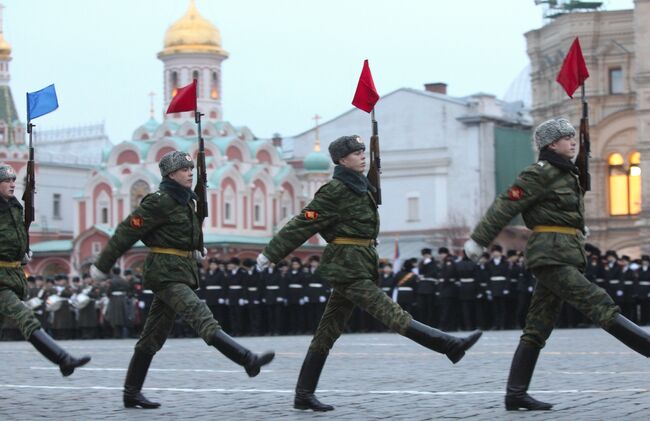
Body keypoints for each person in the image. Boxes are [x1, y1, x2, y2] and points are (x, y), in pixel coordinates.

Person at [256, 135, 482, 412]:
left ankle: (303, 395)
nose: (362, 156)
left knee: (327, 332)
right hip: (347, 266)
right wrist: (271, 253)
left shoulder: (360, 187)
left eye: (363, 151)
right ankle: (448, 344)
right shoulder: (335, 190)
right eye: (355, 153)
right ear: (341, 160)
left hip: (359, 262)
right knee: (390, 312)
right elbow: (303, 222)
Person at [464, 118, 650, 411]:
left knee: (537, 326)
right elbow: (506, 204)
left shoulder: (566, 174)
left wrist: (579, 228)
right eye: (567, 138)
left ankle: (516, 394)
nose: (573, 142)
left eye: (573, 137)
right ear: (552, 144)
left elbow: (563, 212)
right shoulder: (539, 173)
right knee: (598, 302)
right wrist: (479, 240)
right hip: (550, 256)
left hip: (564, 253)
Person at [90, 151, 274, 409]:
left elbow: (189, 230)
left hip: (181, 270)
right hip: (165, 273)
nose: (190, 173)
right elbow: (126, 231)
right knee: (201, 315)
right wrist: (102, 265)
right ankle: (246, 359)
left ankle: (131, 393)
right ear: (170, 174)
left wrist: (196, 247)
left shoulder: (186, 201)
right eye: (184, 169)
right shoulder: (159, 201)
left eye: (191, 168)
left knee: (151, 337)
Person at [0, 164, 90, 375]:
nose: (12, 184)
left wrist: (23, 252)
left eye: (14, 180)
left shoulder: (15, 206)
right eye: (7, 181)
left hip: (12, 276)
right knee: (25, 317)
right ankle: (63, 359)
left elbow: (16, 235)